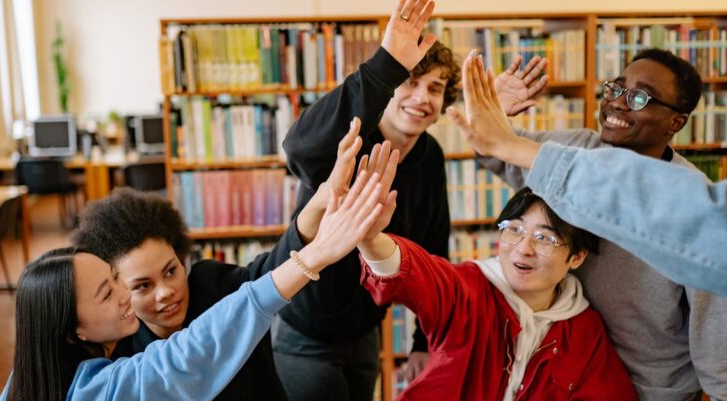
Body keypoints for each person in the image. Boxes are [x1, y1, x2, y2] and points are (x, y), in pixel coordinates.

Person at [277, 0, 548, 397]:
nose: (422, 97)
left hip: (366, 332)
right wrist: (385, 67)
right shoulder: (350, 138)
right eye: (410, 82)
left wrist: (424, 342)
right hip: (305, 332)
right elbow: (299, 148)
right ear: (389, 87)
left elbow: (432, 250)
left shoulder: (429, 156)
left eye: (435, 88)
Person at [0, 146, 393, 401]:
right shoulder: (111, 366)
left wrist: (317, 209)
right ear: (75, 331)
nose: (165, 292)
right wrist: (319, 253)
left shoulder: (208, 283)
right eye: (134, 286)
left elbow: (266, 274)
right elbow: (190, 354)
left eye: (171, 271)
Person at [450, 50, 727, 400]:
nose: (618, 104)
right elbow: (501, 153)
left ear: (676, 122)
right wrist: (496, 116)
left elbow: (714, 328)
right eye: (615, 88)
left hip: (646, 388)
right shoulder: (577, 148)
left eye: (639, 97)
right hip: (566, 370)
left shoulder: (687, 201)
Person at [357, 186, 637, 400]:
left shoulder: (584, 330)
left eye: (544, 238)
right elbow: (417, 271)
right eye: (514, 229)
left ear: (577, 257)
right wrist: (371, 240)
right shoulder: (468, 287)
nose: (523, 248)